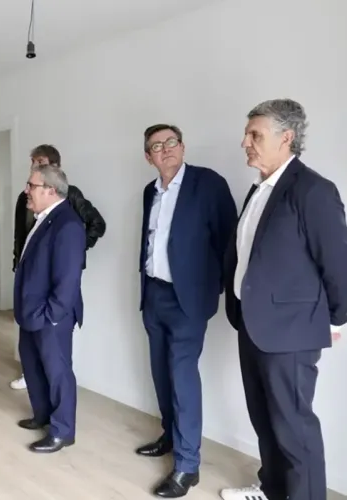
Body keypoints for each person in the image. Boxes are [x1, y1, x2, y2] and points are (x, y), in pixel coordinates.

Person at [220, 99, 347, 500]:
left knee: (295, 429)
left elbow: (338, 263)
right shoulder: (259, 190)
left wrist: (336, 320)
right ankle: (273, 489)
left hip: (291, 333)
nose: (245, 142)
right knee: (264, 419)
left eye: (254, 134)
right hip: (252, 324)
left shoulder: (314, 190)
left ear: (286, 137)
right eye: (247, 134)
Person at [136, 124, 237, 497]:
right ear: (148, 157)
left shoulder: (208, 184)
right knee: (161, 374)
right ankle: (170, 435)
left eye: (171, 142)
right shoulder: (150, 191)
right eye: (156, 146)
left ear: (182, 146)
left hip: (188, 301)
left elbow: (230, 242)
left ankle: (187, 466)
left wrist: (213, 289)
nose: (165, 149)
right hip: (154, 294)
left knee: (182, 378)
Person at [9, 144, 105, 390]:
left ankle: (59, 409)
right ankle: (33, 383)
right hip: (29, 276)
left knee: (55, 354)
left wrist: (72, 251)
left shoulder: (69, 195)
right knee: (31, 347)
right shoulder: (24, 198)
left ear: (55, 167)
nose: (34, 166)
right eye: (33, 162)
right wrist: (17, 262)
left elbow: (97, 224)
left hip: (56, 278)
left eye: (40, 162)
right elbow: (20, 235)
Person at [14, 164, 86, 453]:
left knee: (58, 373)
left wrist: (51, 316)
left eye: (31, 185)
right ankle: (43, 415)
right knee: (33, 366)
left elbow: (67, 280)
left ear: (50, 190)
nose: (26, 190)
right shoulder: (44, 218)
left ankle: (62, 431)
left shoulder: (68, 224)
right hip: (31, 312)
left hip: (49, 316)